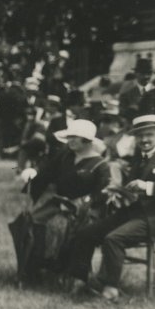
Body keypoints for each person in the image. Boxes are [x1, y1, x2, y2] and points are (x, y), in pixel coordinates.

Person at [66, 115, 155, 301]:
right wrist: (117, 193)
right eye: (140, 136)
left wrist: (147, 187)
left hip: (152, 217)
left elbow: (145, 188)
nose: (144, 140)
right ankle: (81, 281)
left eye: (150, 135)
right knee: (86, 233)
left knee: (114, 239)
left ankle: (111, 289)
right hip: (133, 212)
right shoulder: (139, 158)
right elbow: (131, 188)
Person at [16, 120, 117, 281]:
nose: (71, 141)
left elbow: (102, 194)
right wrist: (29, 189)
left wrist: (82, 203)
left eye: (76, 137)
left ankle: (65, 270)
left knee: (60, 225)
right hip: (59, 204)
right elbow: (45, 175)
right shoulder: (65, 157)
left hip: (86, 210)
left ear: (88, 140)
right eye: (69, 137)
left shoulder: (101, 165)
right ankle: (33, 269)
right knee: (31, 221)